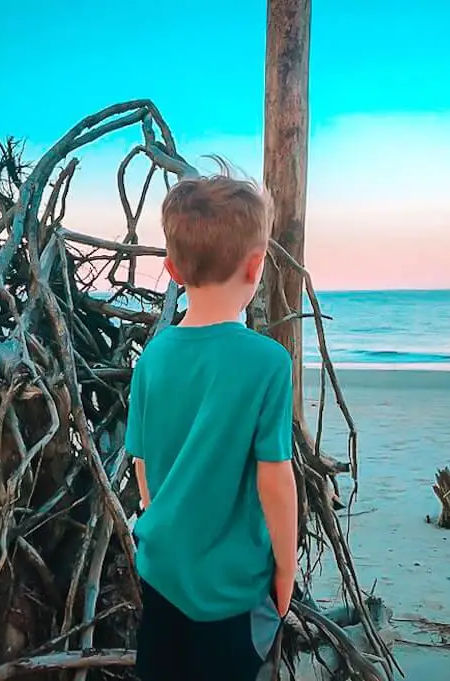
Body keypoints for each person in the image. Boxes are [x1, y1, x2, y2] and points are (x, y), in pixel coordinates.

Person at [126, 163, 298, 681]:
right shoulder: (267, 362)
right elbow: (275, 481)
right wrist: (286, 573)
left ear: (173, 272)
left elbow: (143, 469)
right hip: (231, 591)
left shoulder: (153, 358)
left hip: (160, 572)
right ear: (256, 266)